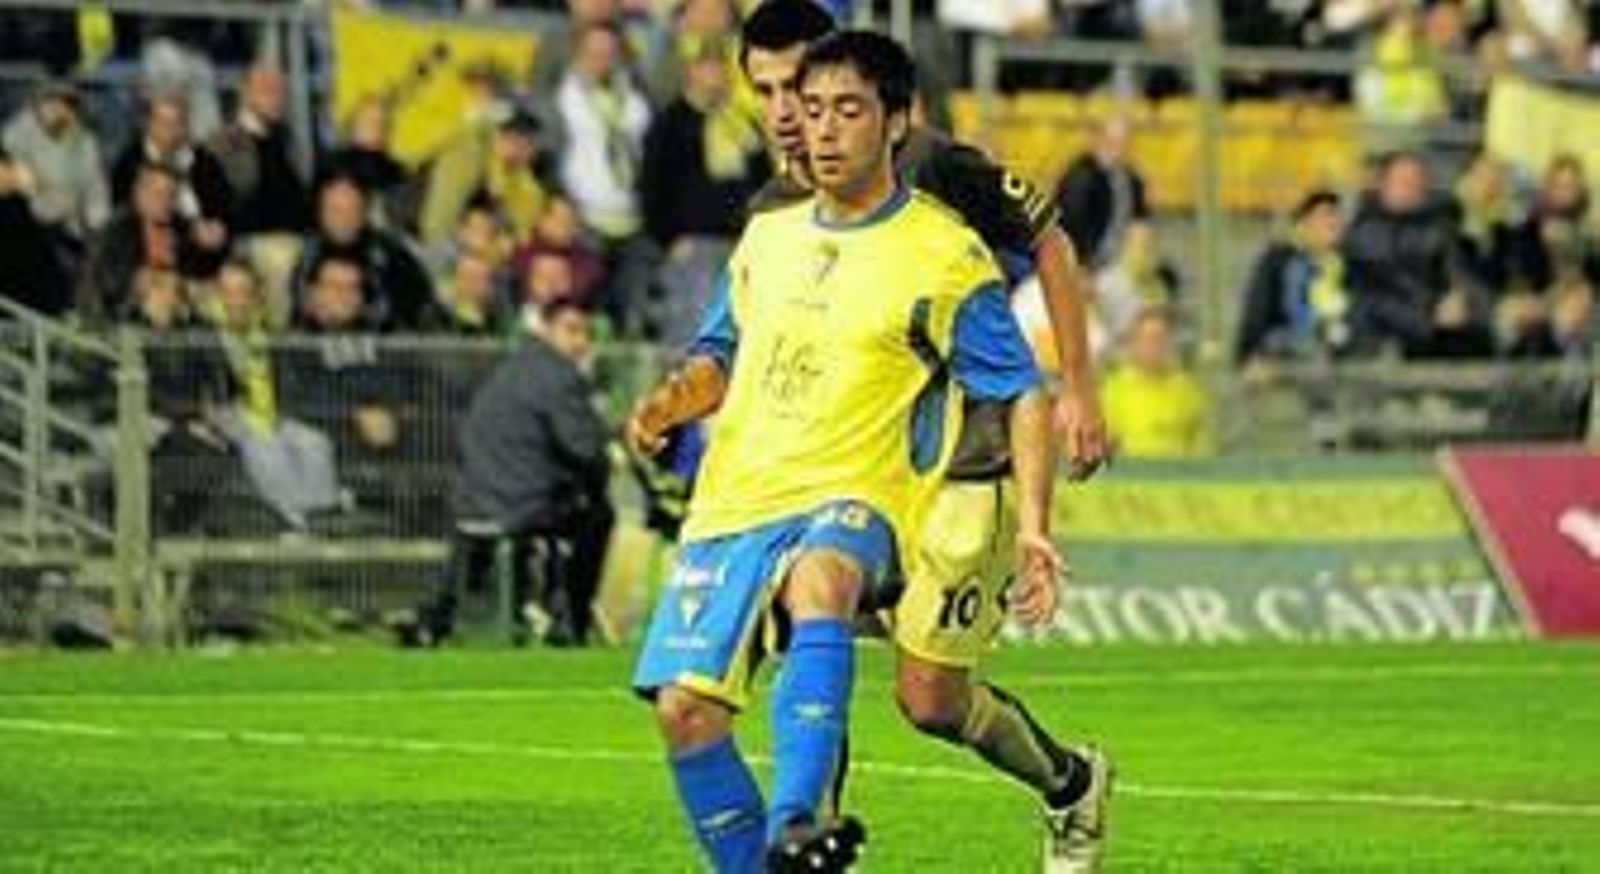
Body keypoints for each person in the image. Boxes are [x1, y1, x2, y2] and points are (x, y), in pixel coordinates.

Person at [628, 30, 1057, 873]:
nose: (820, 130)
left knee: (821, 580)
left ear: (897, 122)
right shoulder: (767, 236)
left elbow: (1021, 391)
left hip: (858, 497)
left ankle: (798, 818)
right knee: (684, 712)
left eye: (847, 110)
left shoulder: (943, 253)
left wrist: (1037, 525)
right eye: (810, 109)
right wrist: (667, 402)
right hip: (736, 498)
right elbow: (720, 353)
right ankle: (777, 864)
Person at [719, 3, 1114, 870]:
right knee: (811, 627)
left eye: (802, 87)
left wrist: (1079, 389)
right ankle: (806, 840)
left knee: (931, 700)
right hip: (854, 471)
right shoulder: (779, 208)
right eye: (769, 93)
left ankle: (1070, 781)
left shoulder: (932, 164)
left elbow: (1050, 244)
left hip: (964, 467)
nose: (787, 112)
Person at [406, 297, 613, 648]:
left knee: (555, 512)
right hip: (519, 501)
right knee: (598, 515)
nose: (580, 341)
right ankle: (570, 621)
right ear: (546, 329)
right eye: (571, 330)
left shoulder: (510, 365)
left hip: (475, 499)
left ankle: (442, 617)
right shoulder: (559, 376)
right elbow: (585, 449)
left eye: (586, 333)